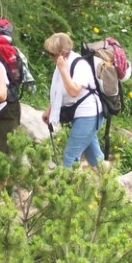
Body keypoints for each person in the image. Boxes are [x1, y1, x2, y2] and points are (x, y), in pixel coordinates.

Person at [40, 32, 105, 169]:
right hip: (82, 115)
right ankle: (112, 185)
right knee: (95, 157)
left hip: (89, 115)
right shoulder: (63, 64)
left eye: (52, 54)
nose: (50, 57)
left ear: (62, 52)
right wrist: (50, 110)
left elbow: (74, 91)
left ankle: (65, 189)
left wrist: (63, 70)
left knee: (70, 157)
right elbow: (59, 92)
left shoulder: (79, 64)